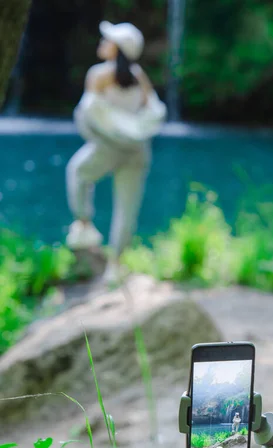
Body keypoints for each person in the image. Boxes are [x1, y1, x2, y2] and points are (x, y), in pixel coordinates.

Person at [66, 21, 166, 283]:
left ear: (117, 48)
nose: (102, 43)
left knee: (77, 172)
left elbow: (88, 117)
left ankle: (84, 225)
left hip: (107, 148)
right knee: (127, 209)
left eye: (107, 40)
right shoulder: (139, 75)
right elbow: (151, 111)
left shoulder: (98, 75)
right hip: (138, 151)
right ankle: (116, 266)